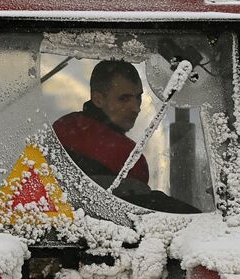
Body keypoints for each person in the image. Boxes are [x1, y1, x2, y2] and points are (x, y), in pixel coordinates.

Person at [52, 59, 194, 213]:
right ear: (98, 99)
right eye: (124, 99)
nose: (136, 108)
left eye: (138, 97)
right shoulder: (128, 158)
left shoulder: (61, 129)